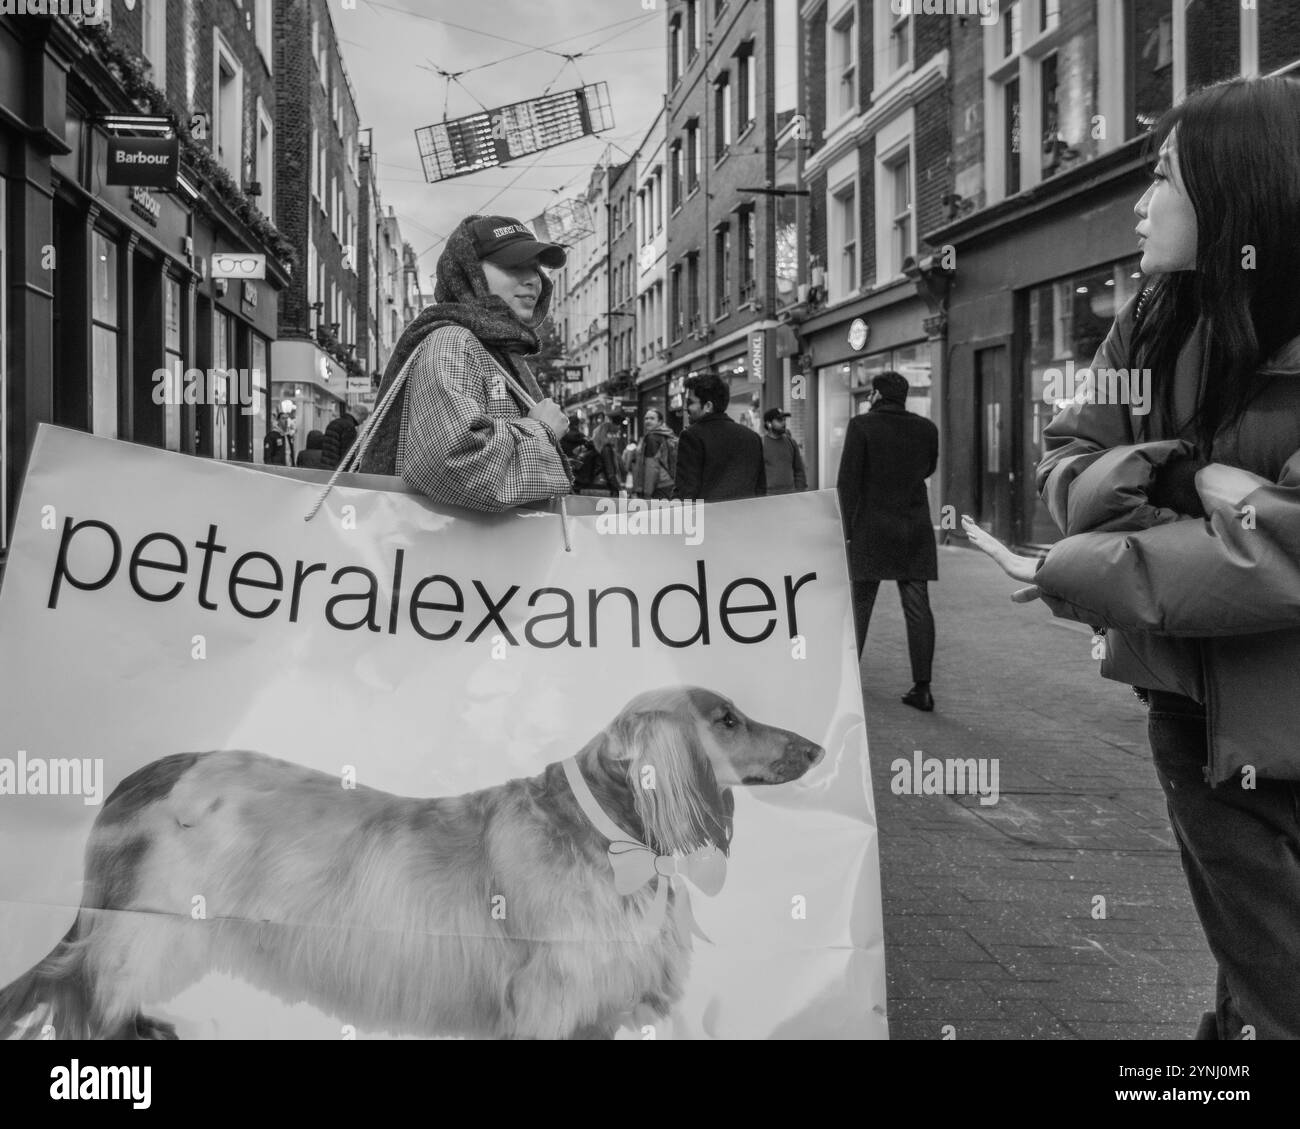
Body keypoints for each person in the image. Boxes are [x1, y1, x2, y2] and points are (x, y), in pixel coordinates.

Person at [962, 76, 1300, 1039]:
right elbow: (1062, 459)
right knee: (1260, 980)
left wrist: (1080, 564)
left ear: (1243, 196)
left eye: (1164, 179)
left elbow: (1281, 549)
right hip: (1192, 715)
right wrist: (1177, 474)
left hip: (1278, 713)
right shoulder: (1149, 322)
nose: (1141, 204)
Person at [355, 215, 571, 511]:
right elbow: (452, 462)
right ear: (471, 274)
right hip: (449, 551)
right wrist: (541, 430)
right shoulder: (453, 342)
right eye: (514, 265)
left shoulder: (496, 348)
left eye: (535, 267)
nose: (533, 279)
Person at [836, 371, 939, 712]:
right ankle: (922, 688)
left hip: (871, 528)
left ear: (878, 394)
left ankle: (847, 680)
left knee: (861, 605)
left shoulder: (861, 426)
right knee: (918, 606)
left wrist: (843, 531)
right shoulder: (927, 429)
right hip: (914, 528)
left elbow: (848, 483)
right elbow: (927, 469)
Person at [672, 373, 765, 502]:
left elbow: (686, 491)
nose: (685, 408)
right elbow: (760, 489)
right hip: (746, 518)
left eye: (690, 402)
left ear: (708, 406)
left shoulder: (691, 436)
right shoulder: (752, 437)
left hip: (708, 519)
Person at [627, 408, 678, 500]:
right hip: (668, 483)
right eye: (646, 418)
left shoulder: (652, 438)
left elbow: (652, 467)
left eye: (652, 418)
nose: (648, 421)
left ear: (660, 422)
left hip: (658, 486)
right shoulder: (666, 435)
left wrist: (647, 492)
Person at [760, 408, 807, 496]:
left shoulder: (791, 442)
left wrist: (800, 492)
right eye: (779, 420)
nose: (784, 423)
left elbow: (799, 470)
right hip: (768, 497)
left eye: (784, 420)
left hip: (790, 496)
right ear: (769, 424)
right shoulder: (760, 444)